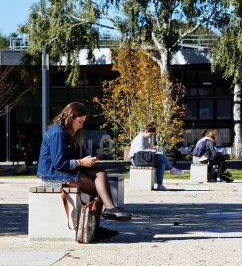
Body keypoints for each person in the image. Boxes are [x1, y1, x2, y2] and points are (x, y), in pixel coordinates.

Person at [37, 102, 131, 239]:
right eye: (80, 122)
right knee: (98, 190)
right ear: (71, 117)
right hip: (52, 176)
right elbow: (58, 163)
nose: (81, 125)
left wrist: (86, 161)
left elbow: (68, 159)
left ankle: (110, 210)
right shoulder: (58, 133)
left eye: (83, 122)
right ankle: (96, 226)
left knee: (100, 173)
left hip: (62, 171)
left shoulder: (65, 132)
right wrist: (81, 162)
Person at [129, 123, 183, 191]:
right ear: (146, 131)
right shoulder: (140, 138)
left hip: (142, 159)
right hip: (136, 160)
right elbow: (140, 151)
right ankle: (172, 170)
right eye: (150, 134)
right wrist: (152, 150)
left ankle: (160, 185)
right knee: (161, 156)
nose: (151, 136)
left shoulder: (144, 138)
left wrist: (151, 148)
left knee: (161, 163)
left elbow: (144, 151)